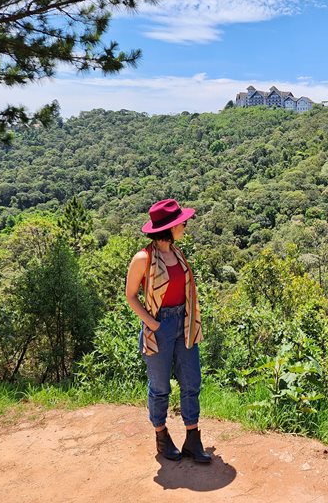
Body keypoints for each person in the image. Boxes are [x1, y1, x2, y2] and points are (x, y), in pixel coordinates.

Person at [125, 198, 211, 463]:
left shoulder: (176, 253)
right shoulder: (144, 258)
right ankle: (161, 436)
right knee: (160, 386)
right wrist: (153, 324)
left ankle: (192, 439)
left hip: (184, 323)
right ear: (169, 227)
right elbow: (130, 296)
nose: (184, 225)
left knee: (191, 382)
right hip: (160, 326)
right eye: (180, 222)